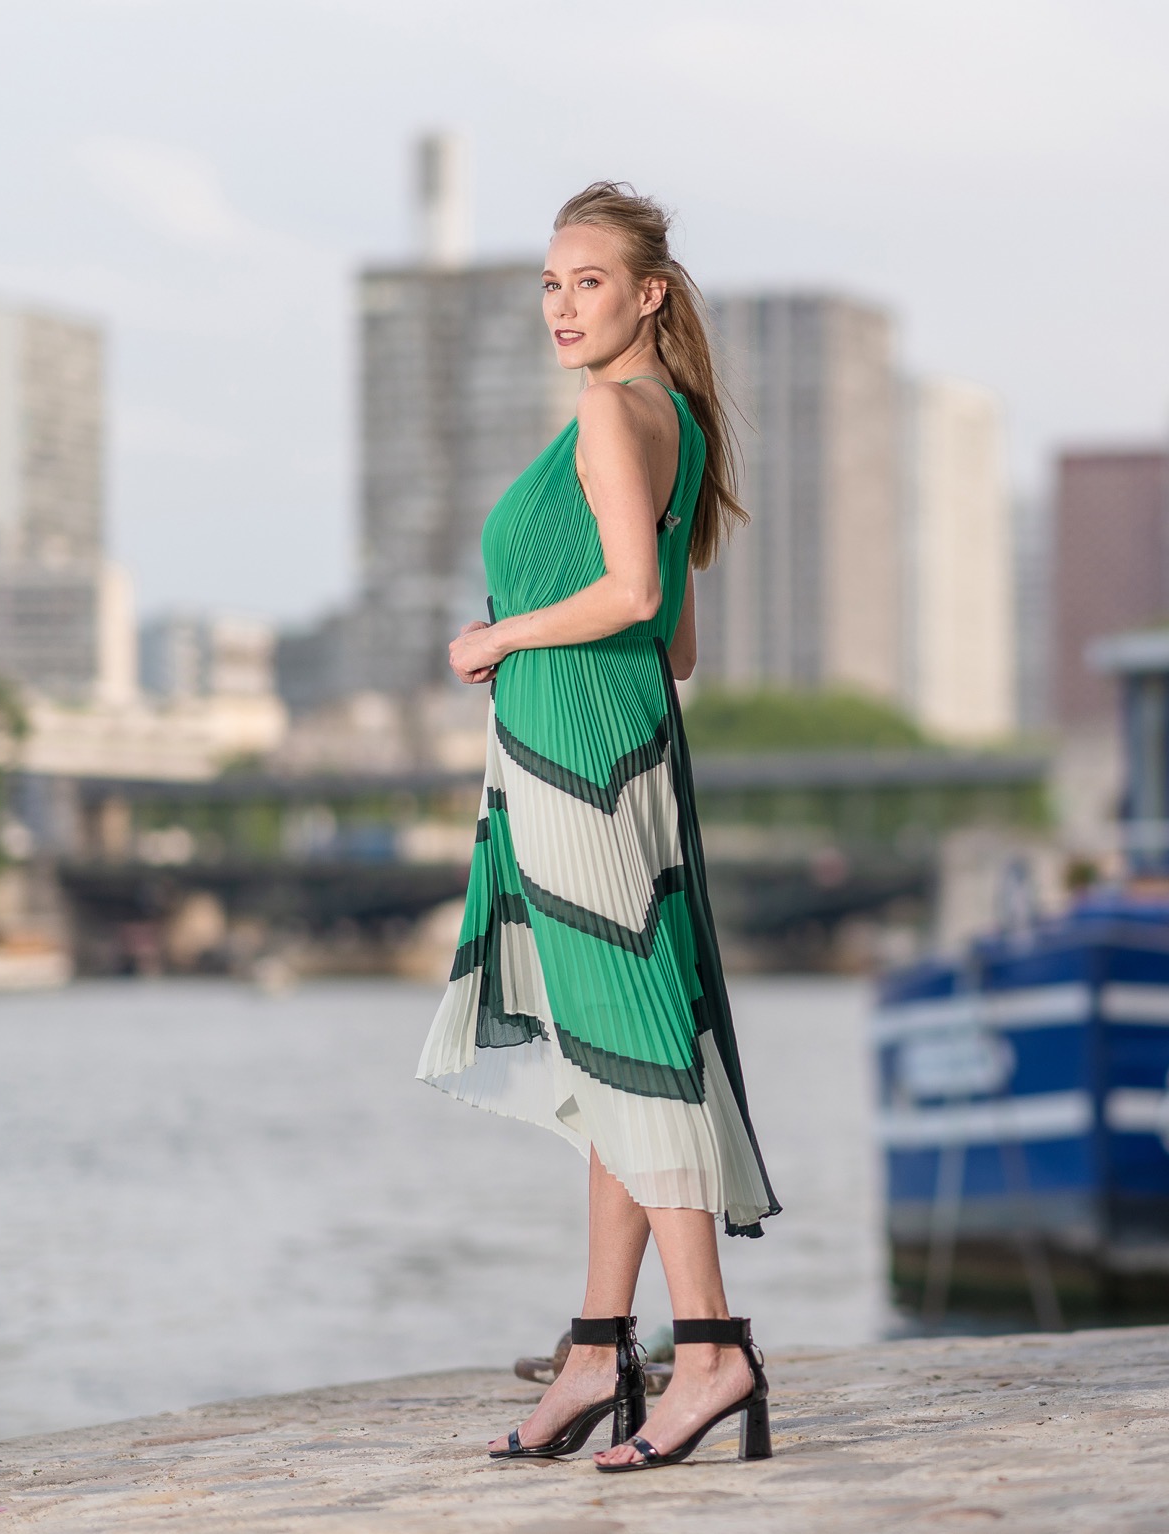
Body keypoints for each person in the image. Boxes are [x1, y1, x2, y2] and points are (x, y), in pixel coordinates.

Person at [417, 182, 780, 1473]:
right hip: (614, 746)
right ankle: (593, 1347)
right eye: (551, 284)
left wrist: (503, 632)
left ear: (649, 295)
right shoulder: (674, 421)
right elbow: (672, 635)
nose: (565, 306)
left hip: (579, 757)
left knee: (632, 1047)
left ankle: (713, 1347)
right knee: (607, 1050)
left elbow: (629, 591)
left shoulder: (611, 414)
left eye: (589, 281)